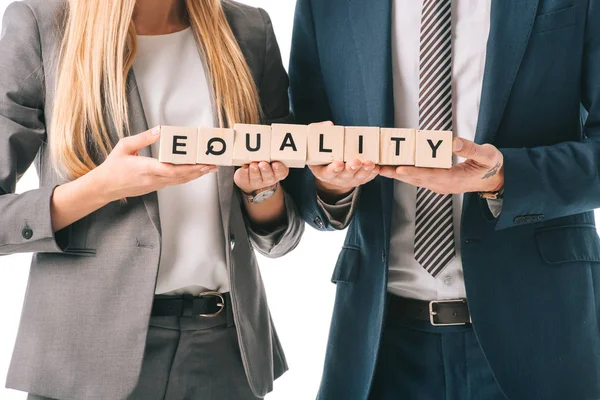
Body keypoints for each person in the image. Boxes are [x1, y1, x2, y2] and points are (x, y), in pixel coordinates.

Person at [286, 0, 600, 399]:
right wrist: (332, 185)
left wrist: (504, 177)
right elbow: (303, 153)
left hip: (541, 330)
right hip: (381, 342)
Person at [0, 0, 303, 398]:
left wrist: (261, 192)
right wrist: (101, 187)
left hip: (225, 353)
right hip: (85, 359)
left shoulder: (249, 28)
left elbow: (283, 229)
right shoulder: (44, 23)